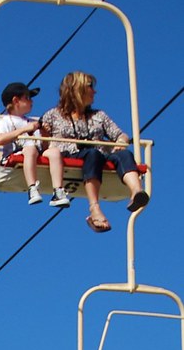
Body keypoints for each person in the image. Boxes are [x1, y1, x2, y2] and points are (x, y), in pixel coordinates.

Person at [40, 70, 149, 233]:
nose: (95, 91)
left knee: (124, 154)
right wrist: (44, 134)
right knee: (93, 154)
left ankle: (136, 192)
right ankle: (94, 207)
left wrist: (121, 141)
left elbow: (120, 134)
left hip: (101, 154)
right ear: (78, 89)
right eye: (90, 86)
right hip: (71, 154)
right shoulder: (53, 115)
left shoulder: (98, 115)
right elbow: (43, 145)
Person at [0, 81, 68, 208]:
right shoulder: (5, 121)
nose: (31, 102)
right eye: (27, 98)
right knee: (30, 149)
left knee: (54, 152)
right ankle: (32, 187)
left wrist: (44, 133)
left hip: (36, 152)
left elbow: (44, 146)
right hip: (19, 152)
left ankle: (58, 190)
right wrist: (24, 130)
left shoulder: (33, 121)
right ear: (16, 101)